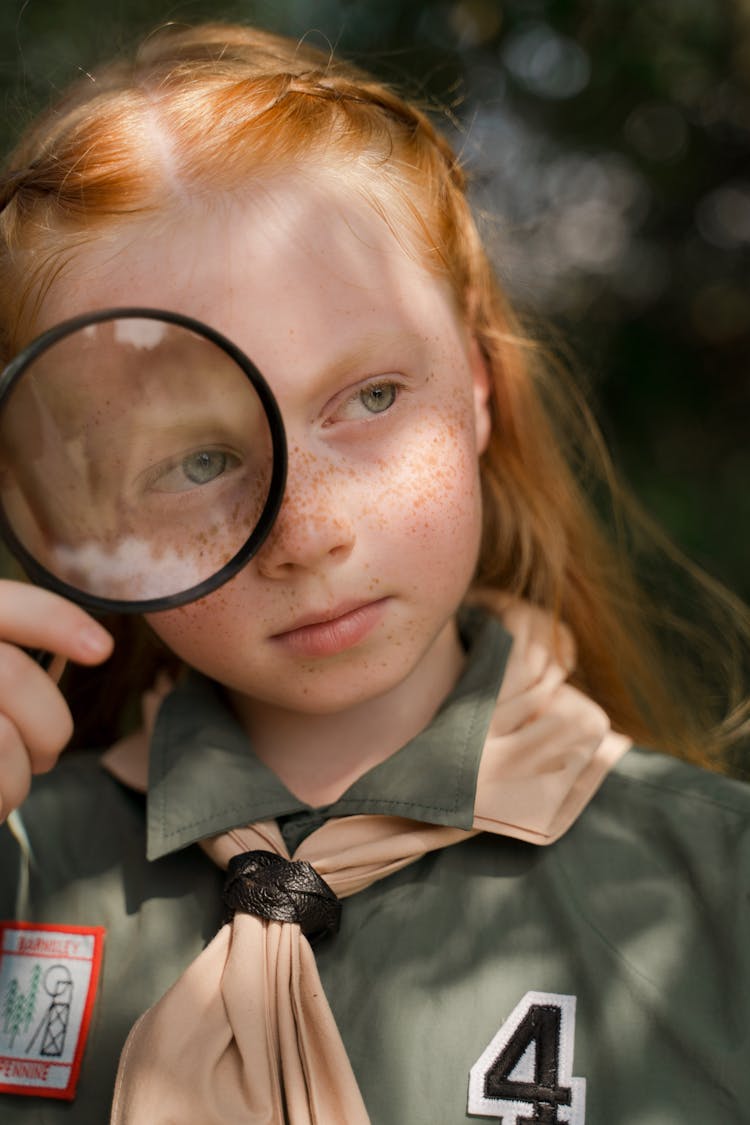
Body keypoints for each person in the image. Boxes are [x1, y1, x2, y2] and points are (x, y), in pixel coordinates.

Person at [0, 21, 747, 1124]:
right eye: (199, 461)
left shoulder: (718, 890)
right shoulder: (20, 868)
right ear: (82, 513)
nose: (308, 530)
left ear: (482, 387)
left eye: (373, 398)